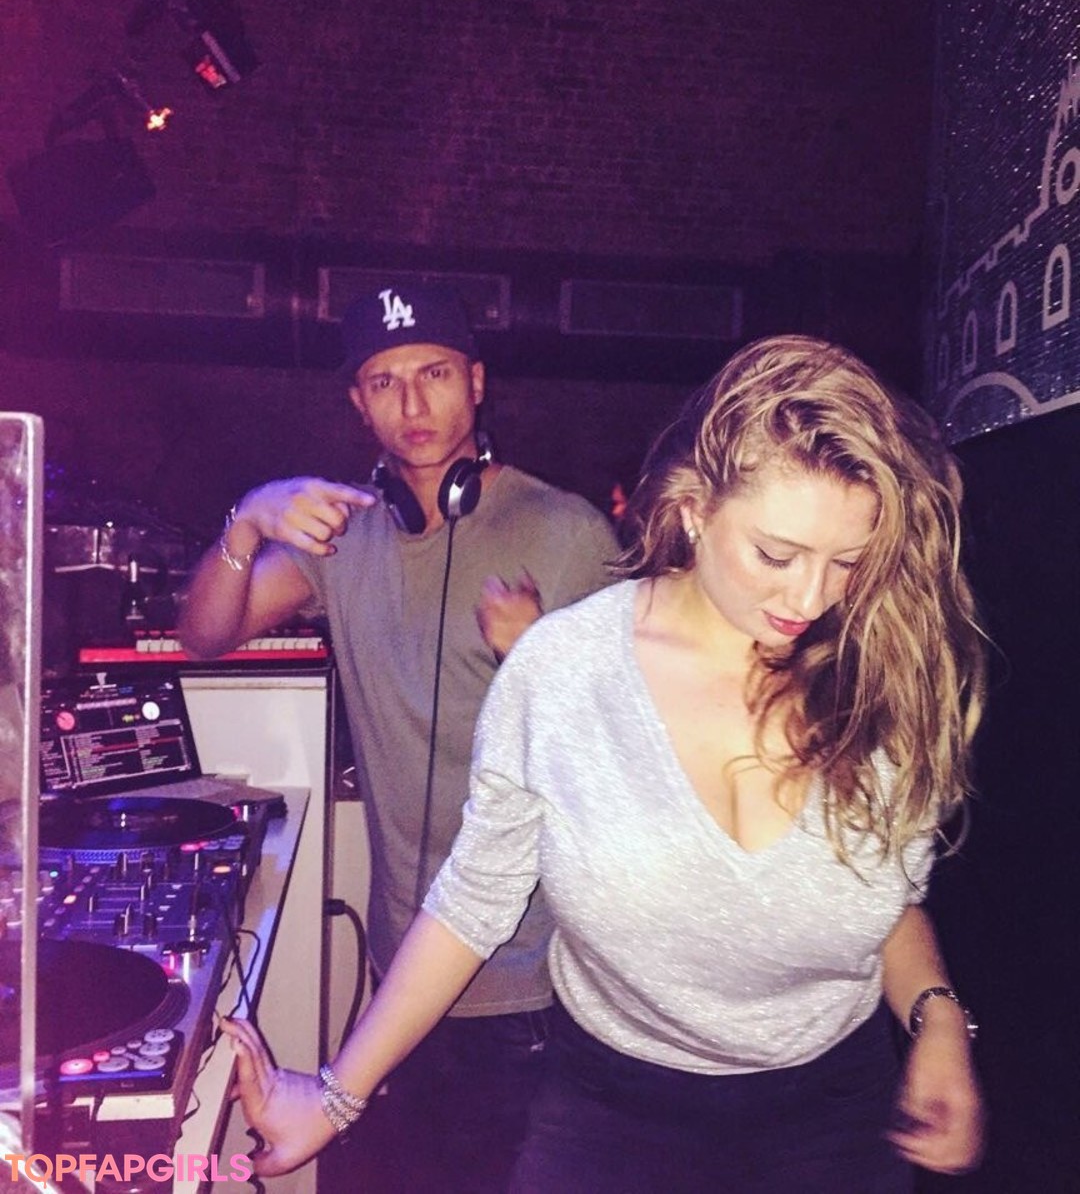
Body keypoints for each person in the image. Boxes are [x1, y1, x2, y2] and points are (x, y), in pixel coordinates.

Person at [222, 334, 987, 1193]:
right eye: (776, 555)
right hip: (615, 1117)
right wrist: (332, 1098)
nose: (811, 598)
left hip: (836, 1116)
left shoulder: (882, 671)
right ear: (693, 510)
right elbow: (471, 904)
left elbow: (886, 898)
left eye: (847, 562)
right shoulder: (565, 668)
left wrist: (937, 1020)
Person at [178, 282, 617, 1193]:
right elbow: (204, 634)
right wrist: (248, 517)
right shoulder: (343, 538)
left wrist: (539, 656)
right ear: (358, 402)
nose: (412, 403)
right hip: (399, 974)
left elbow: (636, 751)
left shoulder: (568, 531)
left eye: (435, 374)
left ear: (477, 382)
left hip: (533, 986)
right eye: (384, 382)